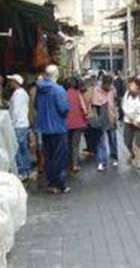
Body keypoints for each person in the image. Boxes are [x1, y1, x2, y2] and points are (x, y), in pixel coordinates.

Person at [35, 64, 71, 194]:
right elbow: (63, 109)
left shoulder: (39, 89)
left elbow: (36, 106)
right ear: (56, 74)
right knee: (59, 157)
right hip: (58, 128)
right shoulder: (58, 90)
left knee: (49, 156)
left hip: (44, 128)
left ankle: (51, 183)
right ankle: (60, 183)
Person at [7, 74, 32, 181]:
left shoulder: (17, 94)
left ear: (16, 82)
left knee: (17, 148)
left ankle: (22, 171)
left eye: (11, 81)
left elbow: (16, 111)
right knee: (23, 148)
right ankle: (27, 169)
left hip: (18, 125)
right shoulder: (23, 93)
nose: (10, 83)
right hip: (23, 124)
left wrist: (11, 124)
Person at [92, 75, 119, 171]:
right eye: (107, 84)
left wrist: (116, 114)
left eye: (109, 84)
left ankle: (114, 157)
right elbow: (94, 106)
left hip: (111, 117)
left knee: (113, 139)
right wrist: (96, 118)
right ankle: (102, 161)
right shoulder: (96, 90)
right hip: (101, 118)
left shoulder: (112, 90)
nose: (108, 87)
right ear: (103, 83)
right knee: (101, 141)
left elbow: (115, 102)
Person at [122, 78, 140, 169]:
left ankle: (139, 160)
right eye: (129, 85)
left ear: (137, 86)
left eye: (132, 85)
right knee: (127, 141)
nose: (130, 87)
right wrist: (131, 118)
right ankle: (133, 153)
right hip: (128, 120)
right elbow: (124, 107)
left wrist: (137, 120)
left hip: (139, 121)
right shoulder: (127, 94)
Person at [66, 77, 88, 173]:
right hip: (78, 123)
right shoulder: (78, 94)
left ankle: (68, 163)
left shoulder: (63, 94)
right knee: (75, 144)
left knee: (68, 143)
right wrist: (85, 118)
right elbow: (84, 109)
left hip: (66, 123)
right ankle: (75, 165)